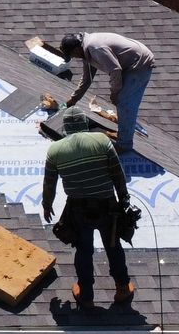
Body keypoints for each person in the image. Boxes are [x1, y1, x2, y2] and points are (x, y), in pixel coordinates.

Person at [43, 106, 135, 308]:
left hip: (78, 208)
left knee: (84, 250)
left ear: (66, 127)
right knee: (113, 246)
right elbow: (117, 173)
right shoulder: (102, 140)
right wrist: (124, 198)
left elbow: (50, 183)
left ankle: (86, 295)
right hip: (107, 206)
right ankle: (122, 288)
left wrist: (47, 205)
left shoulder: (55, 150)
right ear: (85, 124)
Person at [57, 32, 155, 152]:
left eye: (72, 55)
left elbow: (115, 70)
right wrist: (73, 99)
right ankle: (123, 135)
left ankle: (124, 145)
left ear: (77, 49)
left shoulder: (95, 48)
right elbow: (87, 79)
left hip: (139, 64)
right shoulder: (85, 51)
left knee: (124, 103)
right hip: (129, 63)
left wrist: (115, 93)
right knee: (121, 100)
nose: (74, 57)